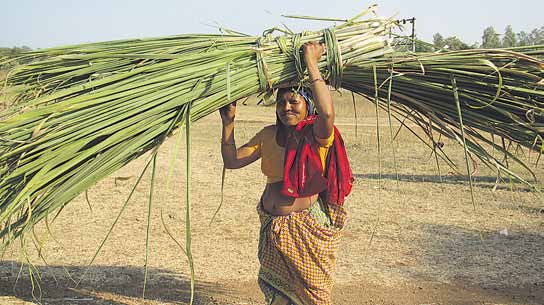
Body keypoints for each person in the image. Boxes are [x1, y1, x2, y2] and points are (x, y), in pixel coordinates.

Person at [219, 41, 352, 305]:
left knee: (311, 299)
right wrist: (228, 123)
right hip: (272, 228)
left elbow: (327, 113)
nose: (286, 107)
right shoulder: (269, 135)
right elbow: (232, 161)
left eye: (294, 101)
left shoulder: (315, 136)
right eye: (281, 102)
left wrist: (311, 62)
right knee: (279, 299)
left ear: (308, 106)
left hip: (307, 232)